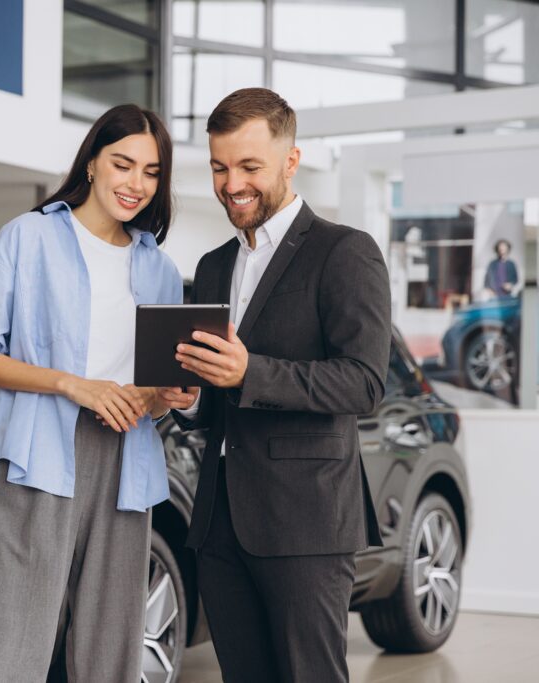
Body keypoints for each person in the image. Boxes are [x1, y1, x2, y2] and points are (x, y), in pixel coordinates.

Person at [158, 88, 390, 683]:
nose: (231, 183)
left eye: (249, 166)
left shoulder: (344, 252)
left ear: (291, 161)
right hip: (219, 523)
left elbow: (364, 383)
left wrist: (250, 372)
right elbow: (215, 396)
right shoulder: (212, 265)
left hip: (305, 521)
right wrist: (188, 401)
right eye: (218, 166)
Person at [0, 104, 182, 682]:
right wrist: (70, 384)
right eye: (122, 164)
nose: (135, 184)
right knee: (9, 640)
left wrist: (168, 395)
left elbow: (164, 386)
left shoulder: (160, 269)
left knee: (112, 648)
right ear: (91, 163)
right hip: (37, 453)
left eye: (150, 172)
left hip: (128, 459)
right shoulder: (29, 237)